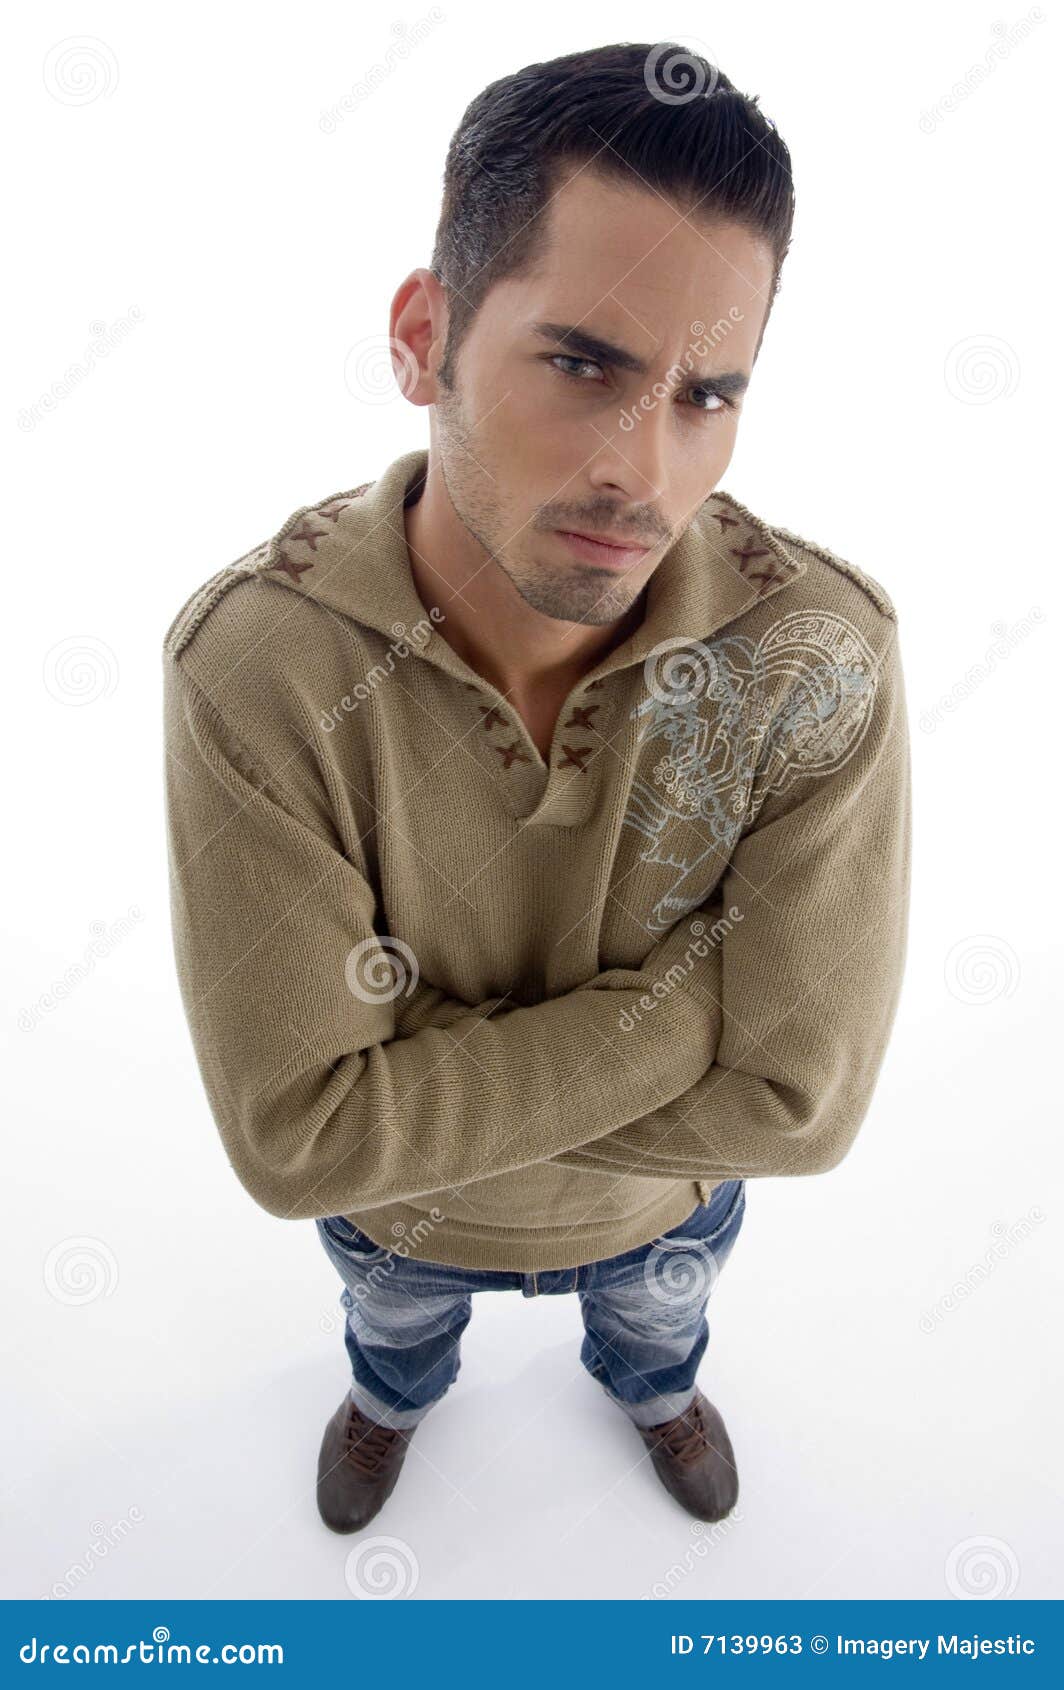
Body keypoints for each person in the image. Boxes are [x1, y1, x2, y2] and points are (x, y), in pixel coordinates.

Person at [162, 42, 911, 1536]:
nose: (645, 467)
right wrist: (702, 1003)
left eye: (708, 393)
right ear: (423, 332)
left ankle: (653, 1393)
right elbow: (300, 1141)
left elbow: (805, 1107)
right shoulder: (258, 661)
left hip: (661, 1221)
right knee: (393, 1342)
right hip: (402, 1234)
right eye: (586, 365)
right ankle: (388, 1406)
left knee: (656, 1336)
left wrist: (407, 1085)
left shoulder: (815, 653)